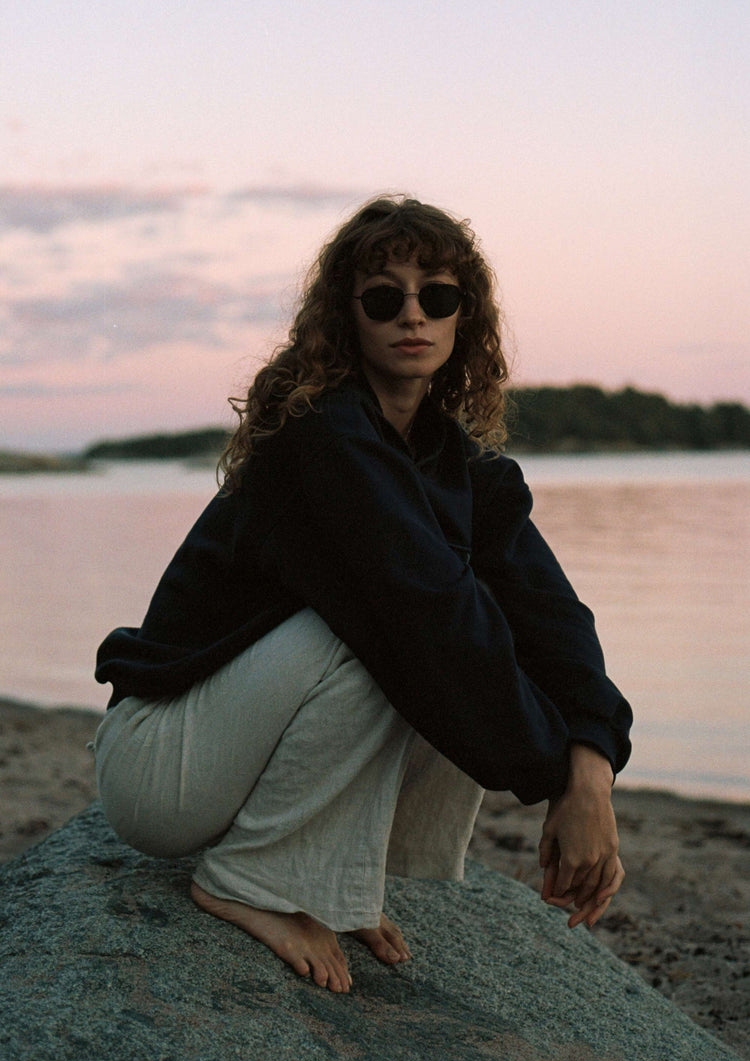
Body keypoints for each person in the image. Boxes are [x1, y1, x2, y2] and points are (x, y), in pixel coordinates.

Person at [93, 195, 632, 995]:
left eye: (437, 296)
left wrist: (590, 768)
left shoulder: (458, 463)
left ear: (464, 317)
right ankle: (251, 879)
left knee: (472, 627)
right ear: (346, 318)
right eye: (383, 297)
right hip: (160, 761)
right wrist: (551, 778)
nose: (412, 314)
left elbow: (551, 614)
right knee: (399, 632)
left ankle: (326, 872)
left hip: (227, 751)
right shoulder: (323, 437)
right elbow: (429, 619)